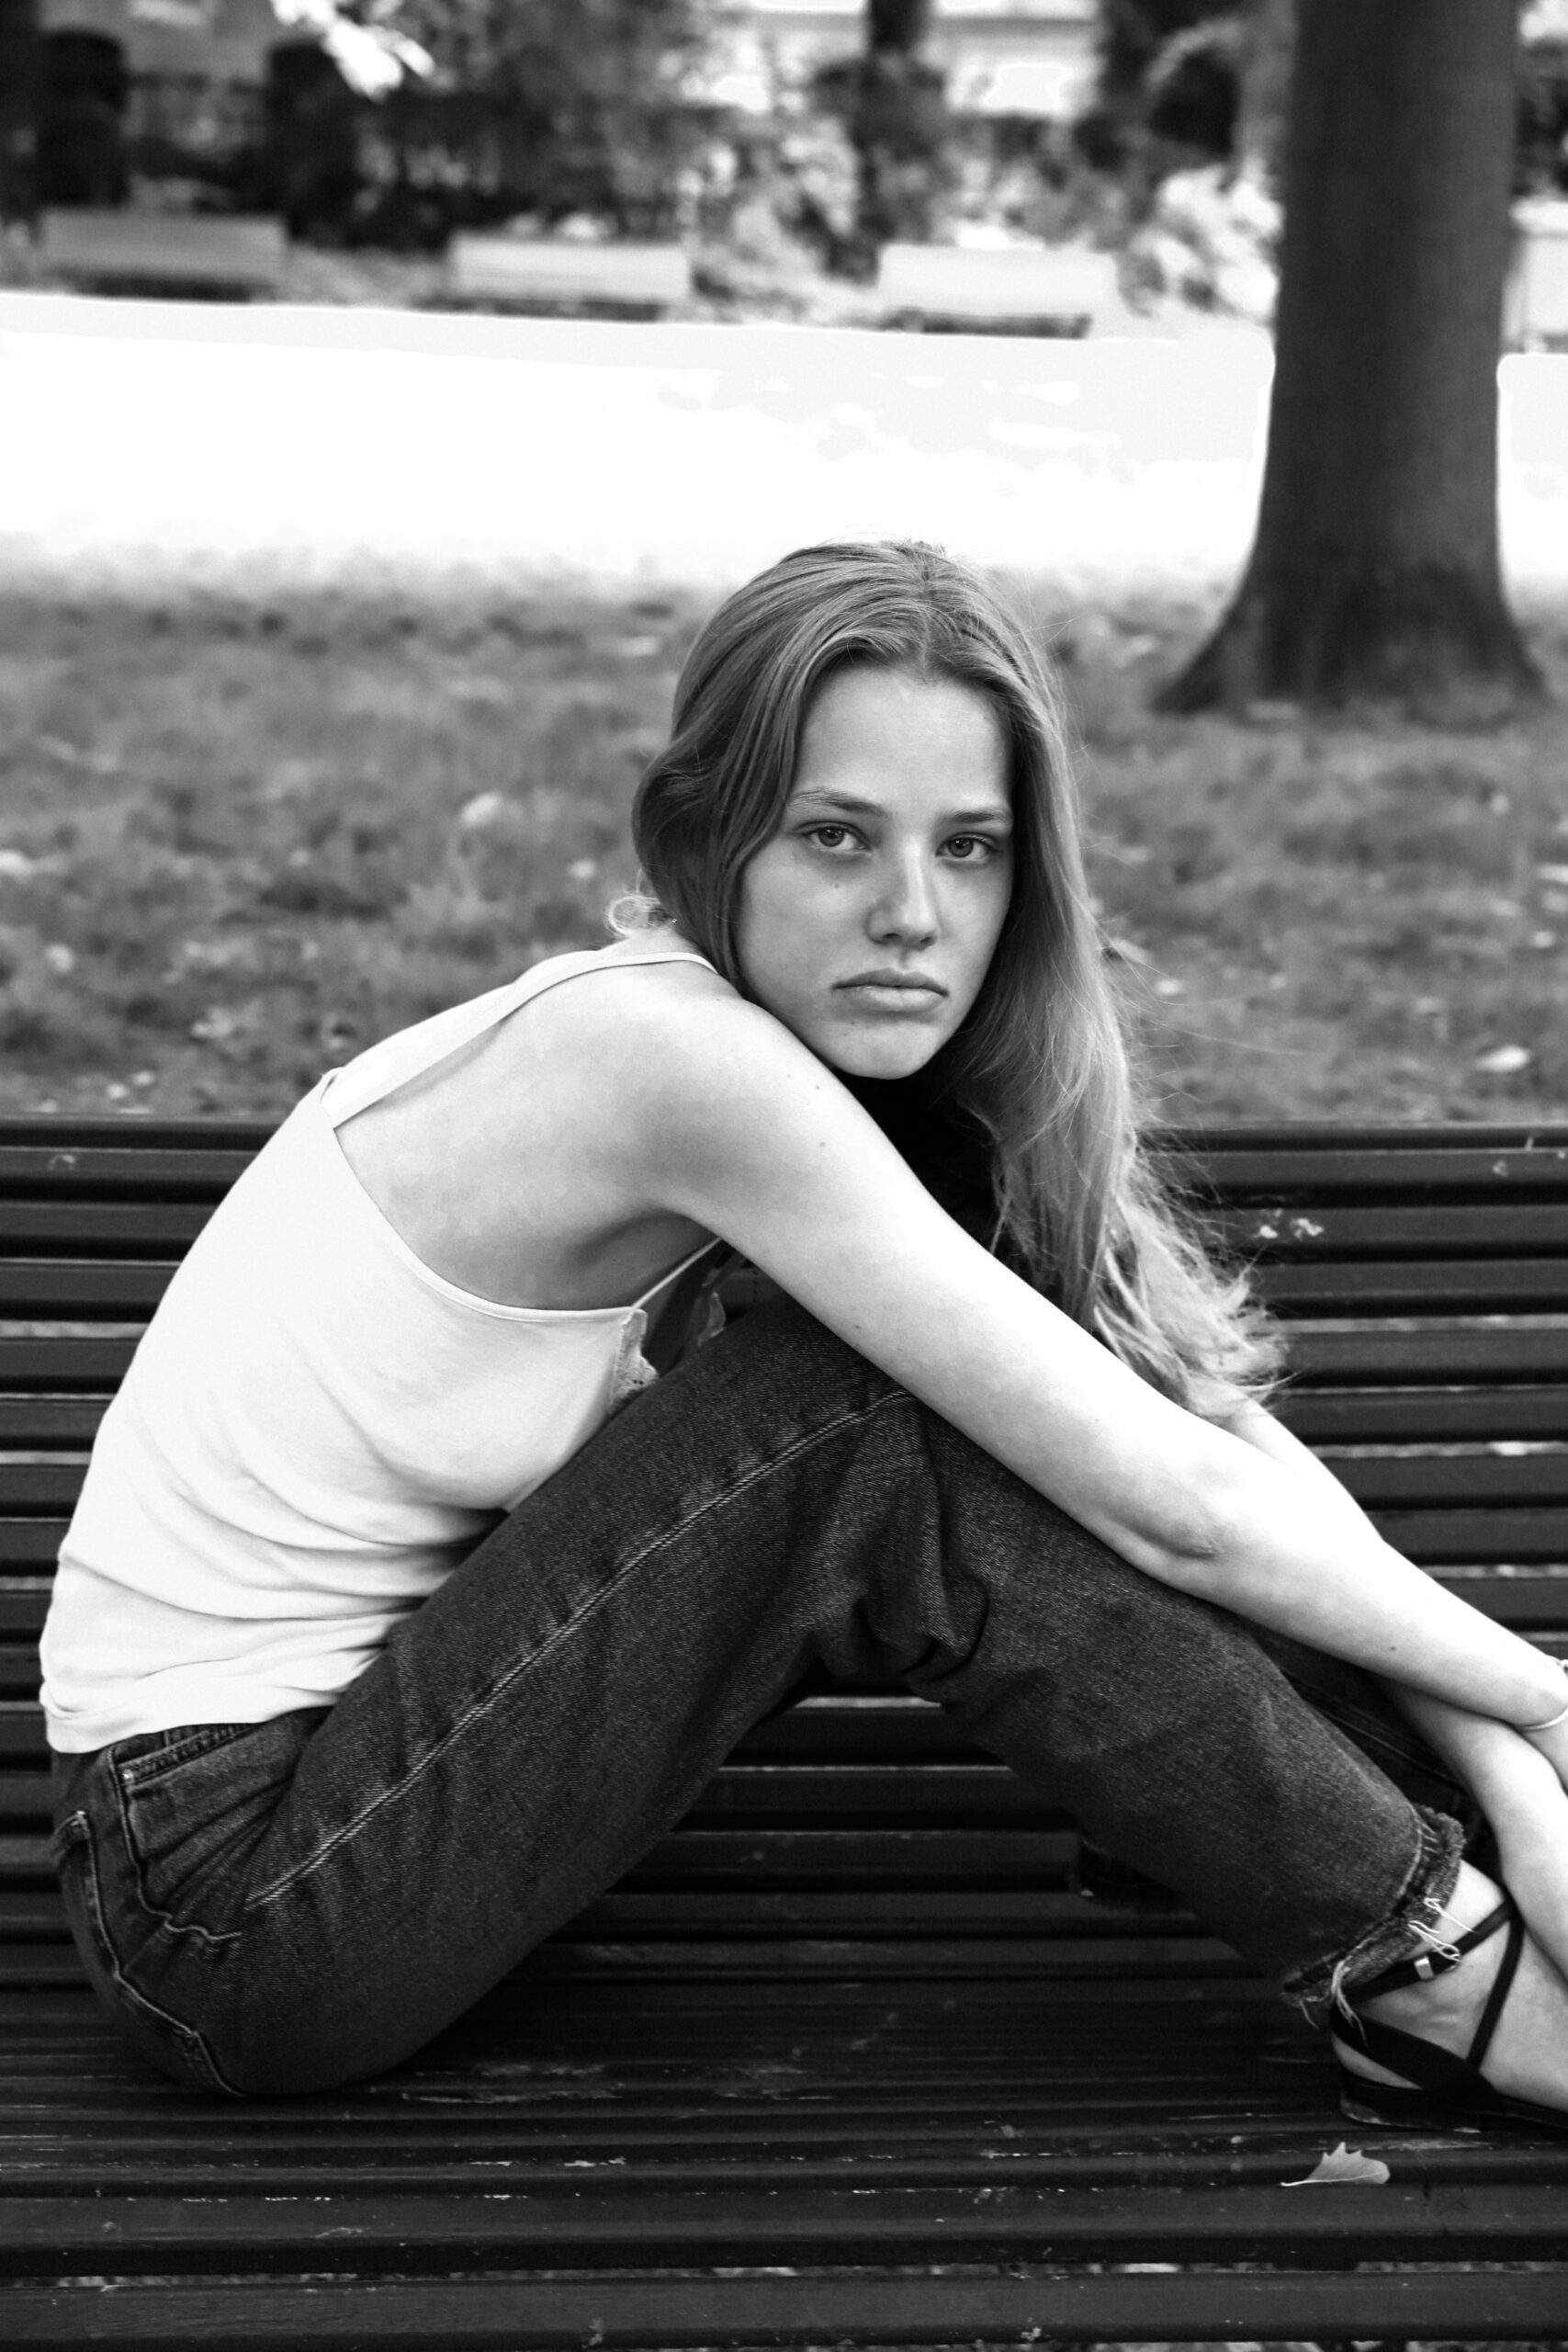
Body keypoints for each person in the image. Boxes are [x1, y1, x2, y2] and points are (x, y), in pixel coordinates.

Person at [41, 539, 1568, 2126]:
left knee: (958, 1423)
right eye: (837, 836)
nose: (912, 915)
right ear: (706, 838)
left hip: (381, 1786)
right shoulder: (671, 1064)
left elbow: (1201, 1443)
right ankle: (1435, 1976)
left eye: (969, 848)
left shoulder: (827, 1082)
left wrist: (1512, 1758)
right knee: (866, 1426)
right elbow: (1178, 1512)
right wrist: (1544, 1706)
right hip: (224, 1898)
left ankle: (1456, 1917)